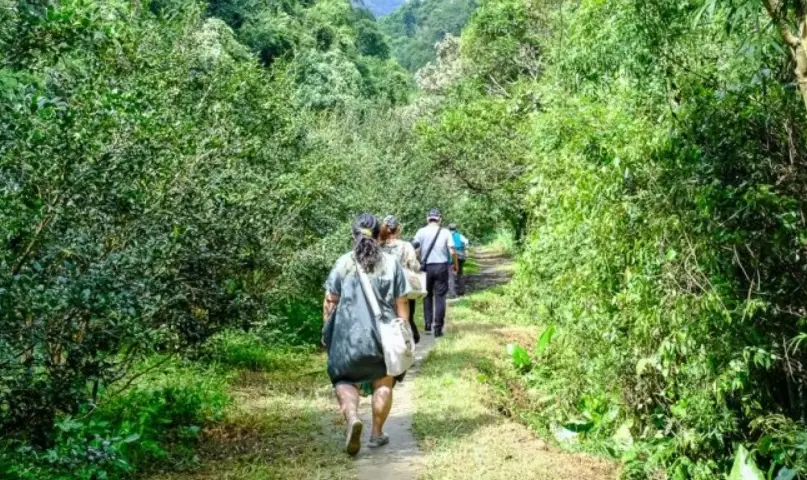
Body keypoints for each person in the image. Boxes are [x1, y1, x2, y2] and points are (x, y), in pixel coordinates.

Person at [322, 214, 412, 455]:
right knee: (383, 380)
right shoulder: (391, 264)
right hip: (381, 336)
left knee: (343, 379)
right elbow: (401, 301)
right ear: (379, 235)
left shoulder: (343, 263)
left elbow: (330, 302)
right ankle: (376, 433)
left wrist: (328, 334)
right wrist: (404, 332)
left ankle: (352, 418)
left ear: (353, 235)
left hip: (346, 336)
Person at [413, 208, 457, 337]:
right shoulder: (445, 232)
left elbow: (415, 249)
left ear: (428, 218)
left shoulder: (420, 232)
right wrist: (454, 264)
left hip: (426, 267)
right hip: (441, 266)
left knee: (427, 295)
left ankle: (427, 325)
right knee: (440, 297)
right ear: (439, 218)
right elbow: (453, 251)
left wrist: (417, 263)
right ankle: (438, 328)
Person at [380, 215, 421, 344]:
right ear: (398, 229)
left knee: (386, 317)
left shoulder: (378, 246)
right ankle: (408, 342)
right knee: (406, 316)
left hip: (383, 286)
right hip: (403, 285)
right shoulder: (406, 246)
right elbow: (414, 265)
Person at [447, 223, 470, 297]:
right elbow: (466, 241)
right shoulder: (459, 235)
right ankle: (461, 290)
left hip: (450, 256)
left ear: (449, 228)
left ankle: (452, 292)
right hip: (460, 255)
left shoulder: (447, 236)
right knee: (460, 272)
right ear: (456, 229)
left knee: (450, 274)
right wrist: (466, 249)